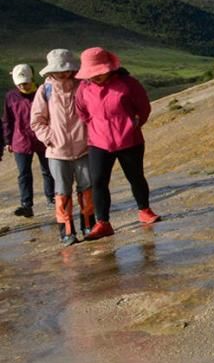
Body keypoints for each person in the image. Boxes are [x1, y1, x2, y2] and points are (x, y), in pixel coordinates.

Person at [74, 47, 159, 240]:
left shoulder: (128, 83)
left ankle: (144, 210)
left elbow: (143, 107)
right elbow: (82, 113)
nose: (95, 77)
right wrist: (97, 127)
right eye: (91, 73)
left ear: (109, 68)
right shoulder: (84, 88)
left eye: (99, 72)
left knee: (135, 176)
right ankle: (103, 223)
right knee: (98, 181)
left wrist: (134, 125)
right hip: (98, 142)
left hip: (129, 139)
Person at [30, 49, 96, 245]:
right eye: (59, 70)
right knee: (62, 191)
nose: (64, 73)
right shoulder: (45, 90)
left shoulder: (83, 86)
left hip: (84, 147)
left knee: (87, 188)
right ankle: (67, 231)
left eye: (66, 70)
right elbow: (37, 121)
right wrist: (49, 138)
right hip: (57, 152)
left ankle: (88, 225)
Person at [4, 64, 55, 218]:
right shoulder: (11, 96)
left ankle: (51, 198)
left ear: (31, 79)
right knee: (23, 174)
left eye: (25, 83)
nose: (22, 86)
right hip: (20, 140)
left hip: (43, 138)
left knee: (48, 170)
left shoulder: (43, 91)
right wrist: (7, 140)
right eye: (19, 84)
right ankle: (26, 205)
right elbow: (7, 120)